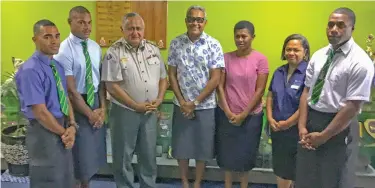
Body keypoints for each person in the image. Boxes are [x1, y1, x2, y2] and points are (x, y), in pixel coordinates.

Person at [295, 7, 375, 188]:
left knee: (332, 180)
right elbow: (306, 91)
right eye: (330, 24)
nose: (334, 29)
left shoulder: (360, 62)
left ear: (351, 28)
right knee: (306, 179)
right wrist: (301, 126)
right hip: (311, 121)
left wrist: (323, 136)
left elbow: (352, 106)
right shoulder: (319, 55)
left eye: (340, 25)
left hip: (338, 126)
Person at [101, 12, 168, 188]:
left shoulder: (153, 49)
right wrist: (135, 105)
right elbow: (111, 86)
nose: (135, 32)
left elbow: (163, 78)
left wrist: (160, 99)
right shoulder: (113, 52)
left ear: (143, 29)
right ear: (122, 29)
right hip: (124, 112)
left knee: (148, 155)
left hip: (150, 112)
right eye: (130, 28)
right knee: (123, 157)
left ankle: (149, 185)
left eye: (138, 28)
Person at [15, 19, 77, 188]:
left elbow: (65, 96)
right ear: (35, 39)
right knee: (48, 179)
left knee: (65, 176)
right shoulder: (30, 70)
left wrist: (71, 125)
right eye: (47, 36)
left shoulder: (56, 66)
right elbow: (40, 112)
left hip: (62, 126)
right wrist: (65, 133)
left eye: (57, 36)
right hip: (43, 130)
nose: (54, 40)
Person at [168, 5, 224, 188]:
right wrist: (183, 102)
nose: (195, 23)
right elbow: (172, 75)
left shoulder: (213, 45)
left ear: (205, 22)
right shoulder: (176, 43)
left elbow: (215, 78)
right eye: (192, 19)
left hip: (205, 106)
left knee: (203, 148)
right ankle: (184, 182)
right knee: (181, 147)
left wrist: (195, 102)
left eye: (199, 20)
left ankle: (198, 182)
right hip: (180, 104)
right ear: (186, 21)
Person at [54, 6, 107, 188]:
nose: (87, 27)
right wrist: (90, 114)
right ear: (70, 23)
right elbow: (70, 90)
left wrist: (102, 109)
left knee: (92, 158)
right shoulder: (64, 51)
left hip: (95, 103)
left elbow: (100, 82)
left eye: (89, 22)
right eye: (81, 22)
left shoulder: (95, 47)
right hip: (77, 105)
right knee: (79, 159)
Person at [216, 21, 269, 188]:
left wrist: (243, 114)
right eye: (237, 36)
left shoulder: (260, 59)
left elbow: (260, 90)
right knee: (227, 154)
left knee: (246, 155)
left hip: (251, 117)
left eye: (244, 36)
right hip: (226, 115)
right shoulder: (225, 58)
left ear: (252, 37)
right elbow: (220, 86)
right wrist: (227, 110)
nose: (240, 40)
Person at [266, 34, 310, 188]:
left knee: (299, 169)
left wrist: (290, 122)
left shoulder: (309, 72)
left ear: (305, 52)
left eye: (296, 50)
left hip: (297, 130)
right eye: (288, 49)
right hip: (277, 129)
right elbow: (270, 95)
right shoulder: (279, 72)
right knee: (281, 167)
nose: (291, 53)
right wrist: (270, 118)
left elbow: (307, 102)